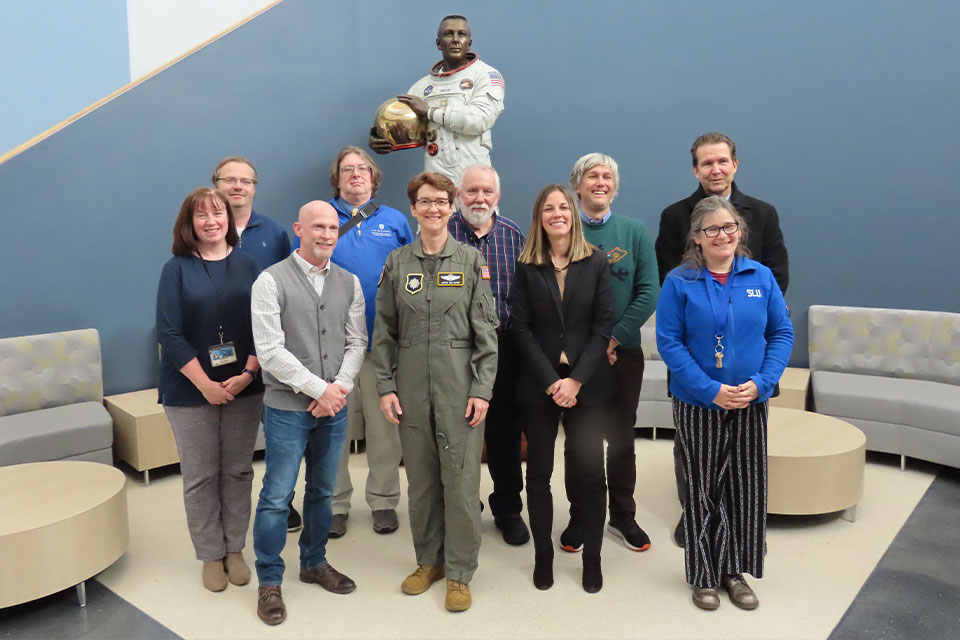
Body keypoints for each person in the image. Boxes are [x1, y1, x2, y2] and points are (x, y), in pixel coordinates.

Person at [656, 196, 793, 611]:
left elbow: (782, 333)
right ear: (697, 238)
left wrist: (763, 383)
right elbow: (670, 344)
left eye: (729, 227)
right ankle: (702, 574)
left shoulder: (761, 276)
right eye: (712, 229)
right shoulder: (679, 282)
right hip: (699, 403)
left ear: (741, 231)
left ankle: (733, 570)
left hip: (751, 401)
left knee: (744, 488)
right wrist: (709, 390)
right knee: (702, 489)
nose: (723, 235)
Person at [371, 172, 498, 612]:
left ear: (452, 206)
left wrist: (482, 390)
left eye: (442, 201)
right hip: (409, 386)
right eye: (425, 201)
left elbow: (487, 334)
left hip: (458, 386)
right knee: (422, 480)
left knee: (461, 481)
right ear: (414, 208)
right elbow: (383, 332)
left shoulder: (469, 261)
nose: (434, 209)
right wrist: (385, 386)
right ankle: (429, 562)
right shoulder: (397, 263)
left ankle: (460, 571)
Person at [250, 201, 367, 625]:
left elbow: (357, 343)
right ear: (299, 229)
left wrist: (338, 390)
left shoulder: (349, 282)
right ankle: (269, 580)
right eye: (318, 226)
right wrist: (321, 390)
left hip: (332, 408)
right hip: (286, 408)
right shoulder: (269, 282)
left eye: (333, 227)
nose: (327, 234)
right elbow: (270, 352)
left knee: (322, 490)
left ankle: (314, 562)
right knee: (277, 495)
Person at [156, 188, 264, 593]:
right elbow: (169, 332)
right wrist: (205, 384)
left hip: (244, 386)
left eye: (217, 212)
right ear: (190, 223)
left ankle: (235, 548)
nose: (211, 220)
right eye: (201, 215)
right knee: (201, 476)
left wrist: (249, 373)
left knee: (237, 470)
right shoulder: (176, 269)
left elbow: (264, 326)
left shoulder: (250, 265)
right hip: (189, 391)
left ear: (230, 219)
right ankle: (209, 555)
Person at [509, 184, 614, 594]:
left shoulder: (597, 261)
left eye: (563, 207)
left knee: (590, 474)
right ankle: (543, 556)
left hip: (587, 384)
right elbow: (520, 328)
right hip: (540, 385)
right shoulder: (527, 266)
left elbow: (603, 325)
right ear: (540, 217)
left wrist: (576, 380)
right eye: (548, 208)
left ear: (573, 213)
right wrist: (553, 381)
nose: (557, 213)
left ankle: (593, 559)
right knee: (538, 475)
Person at [562, 153, 659, 554]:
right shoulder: (563, 230)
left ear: (615, 187)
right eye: (591, 176)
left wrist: (612, 341)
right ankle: (581, 516)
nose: (600, 182)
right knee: (578, 441)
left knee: (621, 440)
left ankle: (622, 516)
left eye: (607, 177)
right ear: (577, 186)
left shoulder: (634, 232)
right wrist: (587, 351)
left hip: (624, 354)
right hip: (575, 359)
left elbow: (648, 291)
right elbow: (558, 300)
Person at [325, 146, 414, 538]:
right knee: (334, 433)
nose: (356, 175)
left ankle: (383, 501)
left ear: (374, 178)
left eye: (362, 169)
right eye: (348, 170)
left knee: (384, 431)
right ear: (338, 179)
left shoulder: (394, 220)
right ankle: (335, 504)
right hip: (333, 348)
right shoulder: (322, 218)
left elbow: (415, 271)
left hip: (384, 345)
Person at [212, 156, 302, 533]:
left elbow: (290, 286)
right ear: (215, 184)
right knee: (227, 439)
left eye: (245, 181)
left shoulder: (275, 233)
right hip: (219, 350)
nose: (237, 186)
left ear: (254, 187)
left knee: (279, 435)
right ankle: (227, 509)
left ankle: (282, 502)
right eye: (229, 180)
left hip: (269, 352)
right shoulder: (204, 229)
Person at [448, 164, 529, 546]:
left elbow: (528, 297)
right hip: (455, 350)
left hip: (505, 348)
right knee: (458, 433)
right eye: (472, 191)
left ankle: (508, 508)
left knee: (505, 434)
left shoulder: (514, 236)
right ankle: (462, 508)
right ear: (459, 195)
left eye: (487, 192)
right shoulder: (442, 232)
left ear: (498, 196)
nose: (479, 198)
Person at [369, 14, 505, 186]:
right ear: (438, 43)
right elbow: (405, 129)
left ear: (469, 43)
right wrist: (382, 138)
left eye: (461, 34)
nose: (456, 40)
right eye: (448, 34)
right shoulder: (422, 87)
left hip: (475, 178)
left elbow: (480, 120)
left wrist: (430, 112)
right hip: (436, 179)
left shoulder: (486, 76)